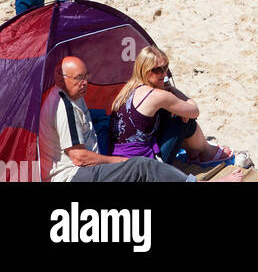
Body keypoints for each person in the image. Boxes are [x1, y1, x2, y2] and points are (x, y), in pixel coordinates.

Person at [39, 56, 242, 183]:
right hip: (73, 176)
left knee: (178, 121)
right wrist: (118, 161)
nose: (84, 83)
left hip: (98, 160)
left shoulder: (125, 89)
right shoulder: (63, 105)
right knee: (146, 162)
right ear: (60, 78)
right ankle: (203, 167)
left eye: (86, 77)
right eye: (158, 70)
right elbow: (79, 158)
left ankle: (206, 152)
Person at [111, 44, 231, 166]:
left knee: (172, 114)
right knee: (182, 121)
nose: (163, 73)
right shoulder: (157, 95)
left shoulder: (128, 88)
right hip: (145, 165)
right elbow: (194, 110)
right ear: (144, 70)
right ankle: (207, 152)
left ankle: (194, 151)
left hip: (120, 159)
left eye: (166, 67)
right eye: (157, 70)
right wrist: (173, 90)